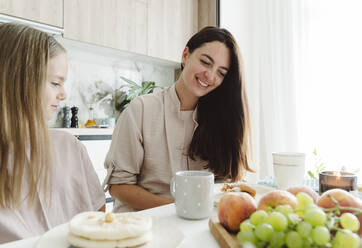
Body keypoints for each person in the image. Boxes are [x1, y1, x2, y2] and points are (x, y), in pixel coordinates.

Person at [104, 26, 254, 212]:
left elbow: (227, 184)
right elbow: (118, 186)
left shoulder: (222, 119)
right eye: (206, 62)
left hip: (199, 222)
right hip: (143, 222)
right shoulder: (141, 110)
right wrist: (179, 209)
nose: (210, 75)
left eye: (221, 73)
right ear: (185, 55)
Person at [0, 23, 106, 244]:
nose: (63, 94)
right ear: (18, 82)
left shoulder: (70, 147)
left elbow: (100, 221)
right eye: (55, 83)